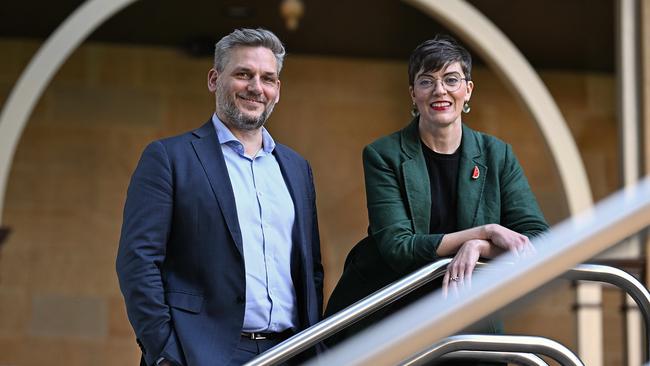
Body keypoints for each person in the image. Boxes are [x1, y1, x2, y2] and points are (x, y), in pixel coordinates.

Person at [324, 34, 548, 361]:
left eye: (451, 79)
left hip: (470, 319)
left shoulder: (497, 154)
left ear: (468, 90)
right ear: (413, 95)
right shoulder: (383, 154)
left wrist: (479, 247)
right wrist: (483, 231)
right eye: (426, 81)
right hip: (394, 320)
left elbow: (537, 238)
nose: (440, 90)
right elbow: (399, 247)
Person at [116, 28, 323, 366]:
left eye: (267, 78)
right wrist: (165, 352)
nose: (256, 87)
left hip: (290, 351)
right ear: (214, 79)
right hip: (199, 355)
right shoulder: (170, 158)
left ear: (277, 90)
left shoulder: (297, 169)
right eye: (243, 74)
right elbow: (137, 261)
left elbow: (311, 269)